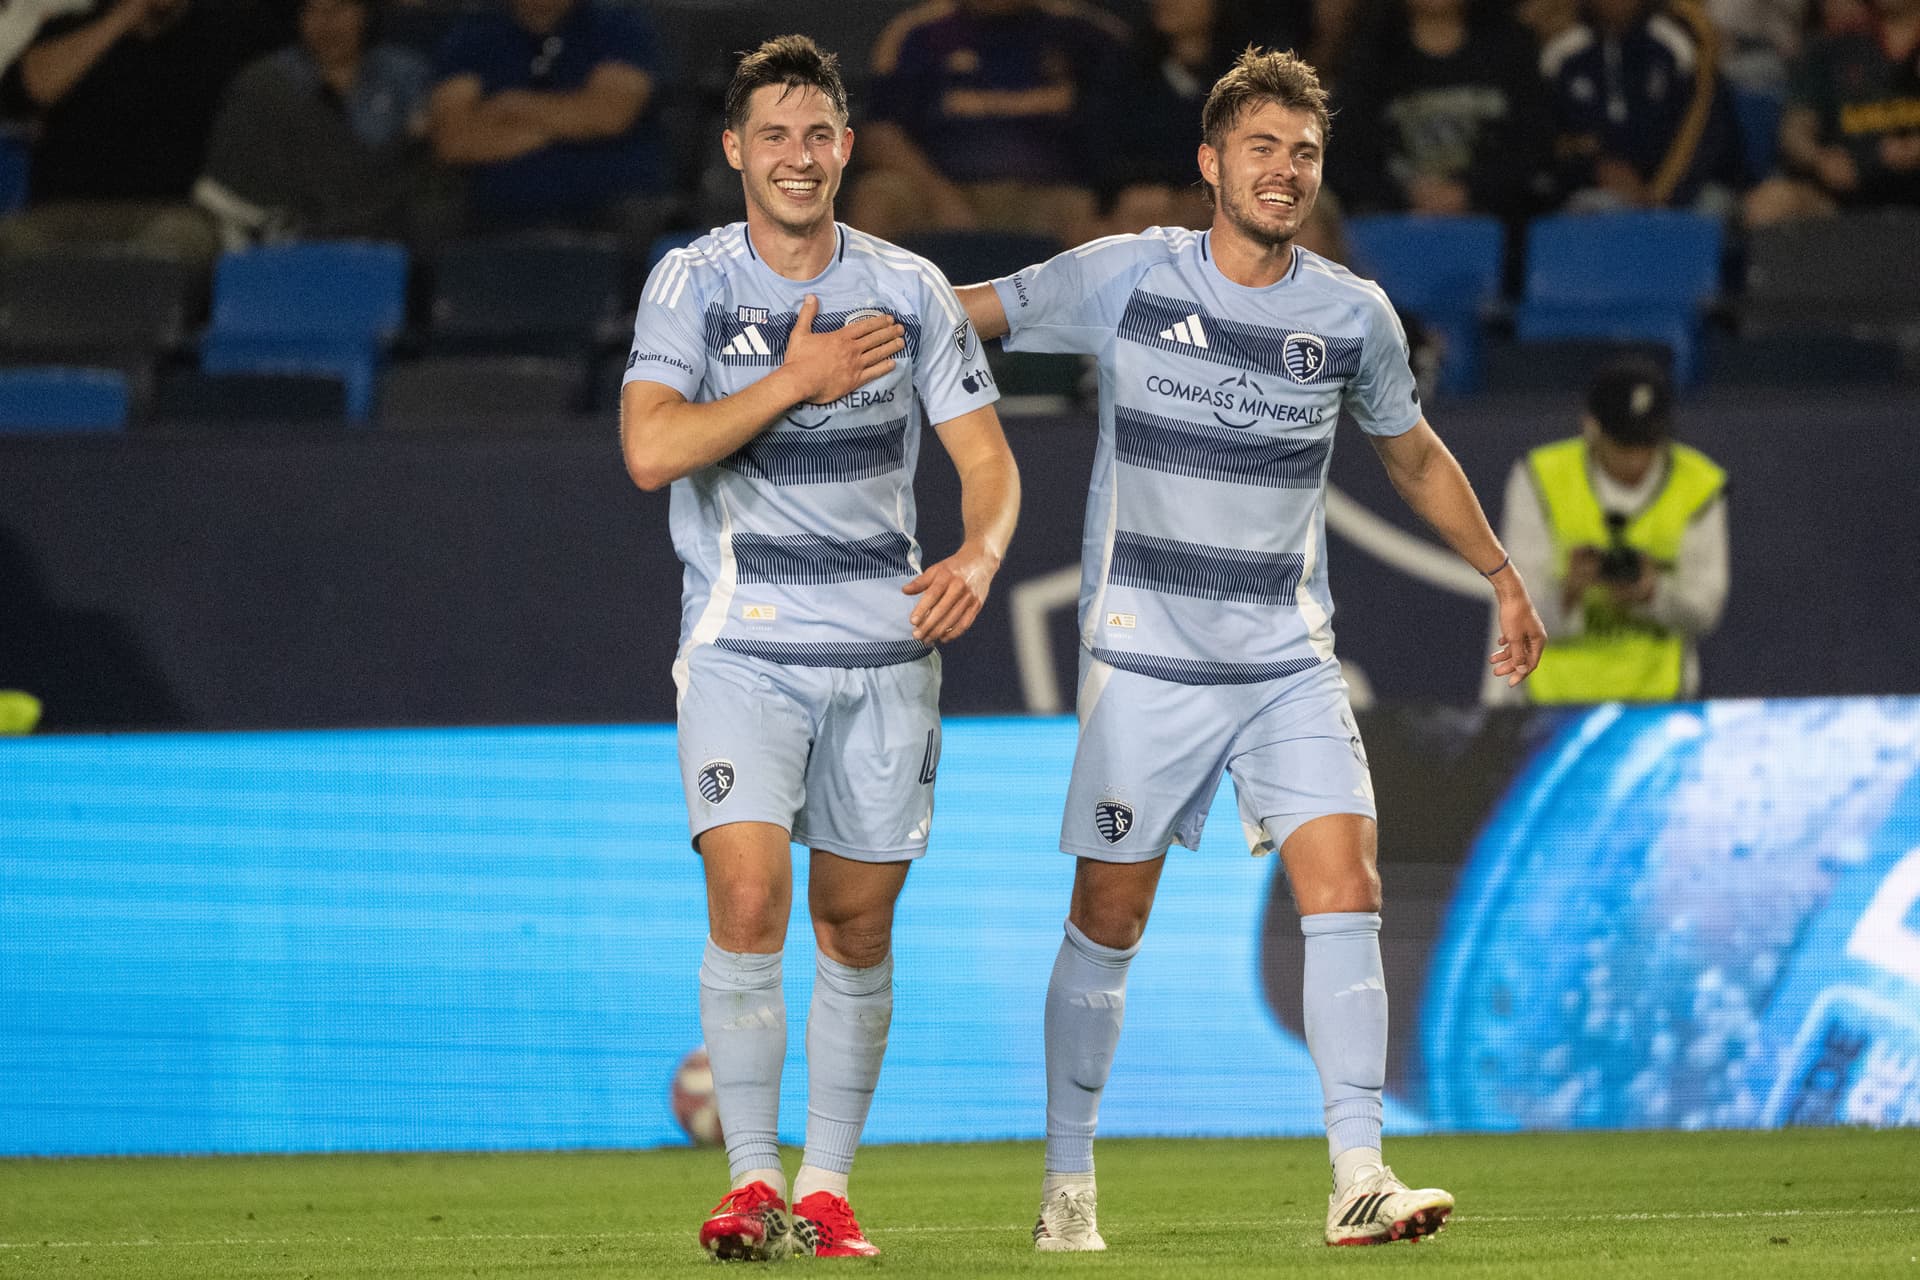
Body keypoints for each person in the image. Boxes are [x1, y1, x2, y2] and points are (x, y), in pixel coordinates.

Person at [955, 46, 1545, 1251]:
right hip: (1148, 659)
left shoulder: (1349, 312)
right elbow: (968, 316)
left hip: (1287, 655)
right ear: (1211, 163)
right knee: (1110, 912)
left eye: (1305, 154)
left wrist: (1498, 569)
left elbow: (1413, 451)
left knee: (1350, 881)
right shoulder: (1123, 276)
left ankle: (1359, 1169)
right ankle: (1069, 1183)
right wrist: (834, 335)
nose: (1285, 171)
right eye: (1263, 149)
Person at [619, 34, 1020, 1264]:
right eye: (774, 136)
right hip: (744, 644)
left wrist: (979, 556)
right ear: (737, 151)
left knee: (856, 927)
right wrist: (791, 381)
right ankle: (751, 1186)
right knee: (748, 895)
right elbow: (650, 452)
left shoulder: (907, 287)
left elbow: (990, 464)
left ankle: (830, 1188)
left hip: (888, 653)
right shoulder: (691, 285)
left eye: (819, 134)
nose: (798, 157)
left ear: (847, 147)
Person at [1482, 357, 1727, 705]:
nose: (1637, 460)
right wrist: (1570, 592)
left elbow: (1706, 610)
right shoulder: (1541, 477)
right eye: (1624, 445)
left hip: (1658, 705)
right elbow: (1513, 615)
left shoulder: (1699, 484)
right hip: (1553, 703)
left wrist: (1654, 593)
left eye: (1648, 444)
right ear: (1591, 427)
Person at [0, 0, 281, 262]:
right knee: (14, 239)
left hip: (172, 210)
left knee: (183, 241)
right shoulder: (71, 26)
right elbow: (33, 90)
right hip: (64, 211)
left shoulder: (225, 31)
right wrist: (125, 16)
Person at [847, 0, 1127, 244]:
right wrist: (941, 197)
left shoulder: (1084, 33)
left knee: (1093, 220)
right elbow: (880, 135)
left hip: (1045, 194)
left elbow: (1130, 121)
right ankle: (855, 305)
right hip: (939, 188)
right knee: (876, 197)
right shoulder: (921, 33)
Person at [426, 0, 671, 242]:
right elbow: (453, 141)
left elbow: (609, 116)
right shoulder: (473, 34)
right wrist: (569, 120)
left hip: (614, 214)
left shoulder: (619, 24)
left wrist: (510, 107)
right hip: (492, 219)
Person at [194, 0, 433, 248]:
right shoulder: (267, 84)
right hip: (289, 236)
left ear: (364, 14)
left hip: (386, 235)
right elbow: (235, 180)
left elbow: (418, 165)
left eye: (338, 10)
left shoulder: (405, 75)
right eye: (313, 11)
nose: (326, 24)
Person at [1329, 0, 1553, 225]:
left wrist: (1470, 191)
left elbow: (1533, 145)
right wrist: (1406, 194)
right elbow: (1345, 153)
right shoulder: (1370, 53)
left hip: (1502, 225)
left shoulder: (1511, 48)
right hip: (1391, 223)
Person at [1540, 0, 1743, 211]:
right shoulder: (1558, 50)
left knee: (1711, 206)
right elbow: (1549, 141)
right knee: (1583, 207)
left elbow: (1706, 135)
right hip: (1594, 194)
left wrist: (1656, 196)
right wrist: (1594, 170)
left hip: (1684, 189)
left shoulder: (1683, 37)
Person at [1742, 0, 1920, 224]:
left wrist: (1912, 150)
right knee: (1770, 204)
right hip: (1848, 193)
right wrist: (1820, 159)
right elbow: (1795, 129)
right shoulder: (1835, 46)